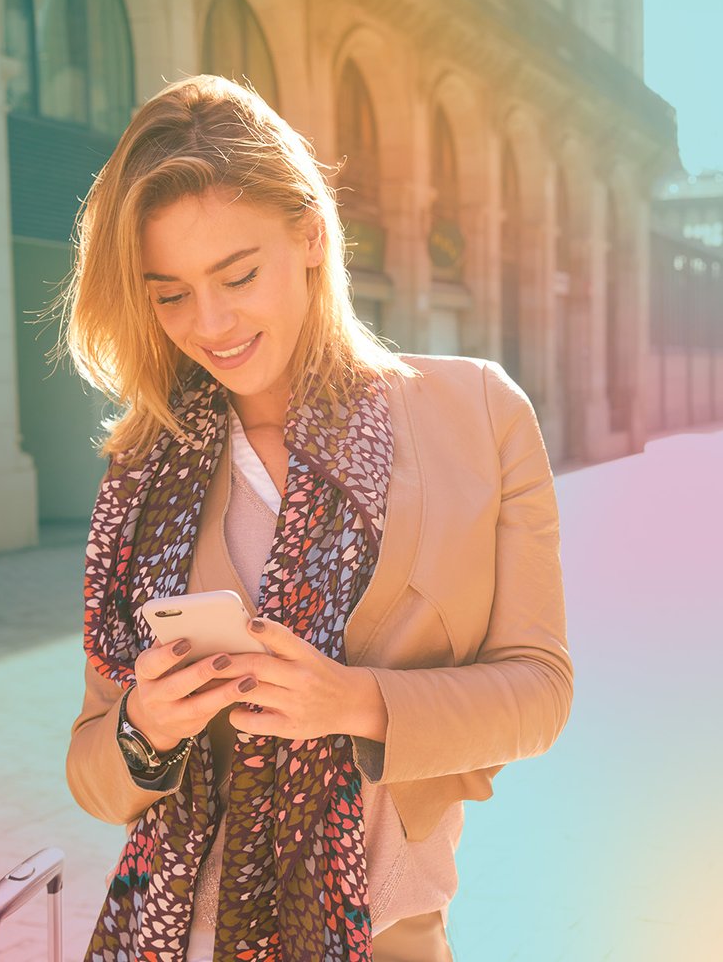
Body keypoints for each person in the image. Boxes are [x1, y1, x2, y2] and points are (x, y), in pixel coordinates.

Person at [58, 75, 573, 961]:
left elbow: (540, 692)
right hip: (177, 936)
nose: (210, 324)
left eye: (238, 276)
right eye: (169, 293)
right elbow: (93, 775)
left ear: (310, 235)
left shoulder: (479, 414)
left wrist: (356, 701)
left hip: (387, 934)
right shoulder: (146, 470)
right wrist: (149, 726)